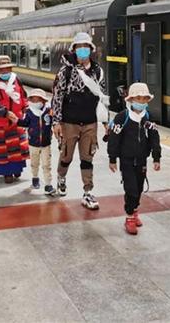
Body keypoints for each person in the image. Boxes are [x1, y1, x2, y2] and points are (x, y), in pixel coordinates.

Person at [51, 32, 106, 210]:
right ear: (74, 50)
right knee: (66, 155)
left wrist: (106, 122)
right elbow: (57, 97)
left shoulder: (98, 71)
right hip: (69, 123)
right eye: (79, 47)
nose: (83, 50)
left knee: (87, 158)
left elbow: (102, 98)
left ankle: (88, 192)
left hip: (90, 123)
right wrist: (56, 122)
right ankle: (61, 177)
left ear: (91, 49)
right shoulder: (66, 71)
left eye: (85, 46)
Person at [107, 83, 161, 235]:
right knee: (130, 189)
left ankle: (135, 210)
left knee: (139, 188)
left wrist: (156, 157)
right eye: (138, 98)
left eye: (144, 99)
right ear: (131, 100)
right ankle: (129, 216)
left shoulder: (149, 118)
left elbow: (154, 138)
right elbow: (114, 139)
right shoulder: (122, 117)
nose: (141, 102)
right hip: (126, 160)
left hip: (142, 160)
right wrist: (112, 158)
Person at [0, 55, 29, 184]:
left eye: (7, 69)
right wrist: (4, 112)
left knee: (17, 147)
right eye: (2, 70)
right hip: (0, 121)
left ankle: (17, 169)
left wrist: (25, 107)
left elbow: (23, 95)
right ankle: (7, 173)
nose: (5, 72)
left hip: (17, 119)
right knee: (3, 149)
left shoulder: (16, 79)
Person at [17, 89, 56, 196]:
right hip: (33, 144)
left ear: (43, 101)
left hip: (46, 144)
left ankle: (48, 185)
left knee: (47, 165)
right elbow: (25, 123)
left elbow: (54, 122)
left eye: (37, 100)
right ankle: (35, 178)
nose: (35, 102)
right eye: (33, 100)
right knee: (34, 163)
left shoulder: (48, 111)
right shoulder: (29, 112)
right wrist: (16, 120)